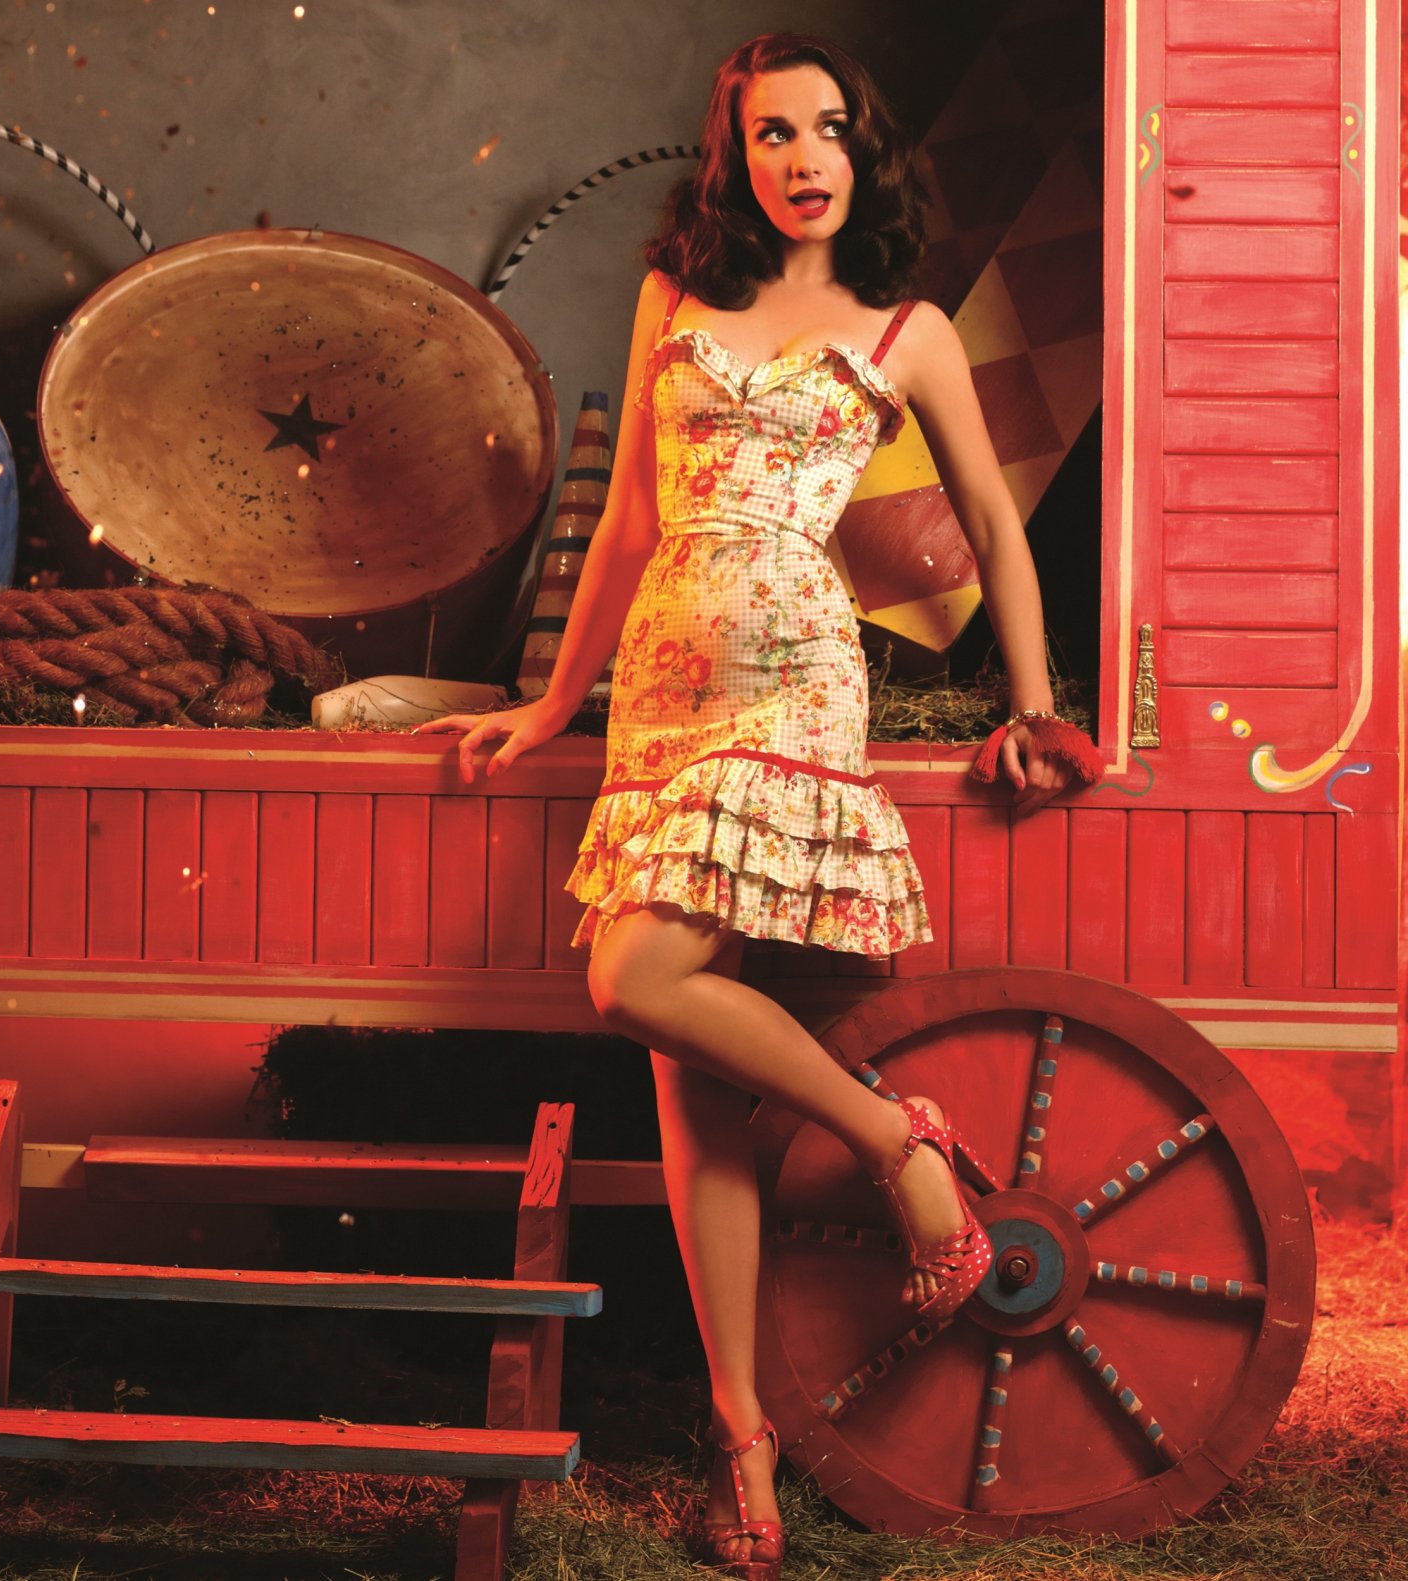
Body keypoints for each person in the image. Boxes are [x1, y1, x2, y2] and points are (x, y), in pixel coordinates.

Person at [416, 30, 1098, 1580]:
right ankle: (743, 1431)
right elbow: (629, 524)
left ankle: (903, 1151)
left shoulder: (907, 331)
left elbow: (994, 522)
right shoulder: (676, 298)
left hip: (794, 680)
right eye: (774, 134)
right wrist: (553, 703)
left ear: (866, 152)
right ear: (737, 157)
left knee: (634, 978)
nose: (803, 158)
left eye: (828, 130)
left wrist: (1032, 702)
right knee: (689, 1082)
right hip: (662, 688)